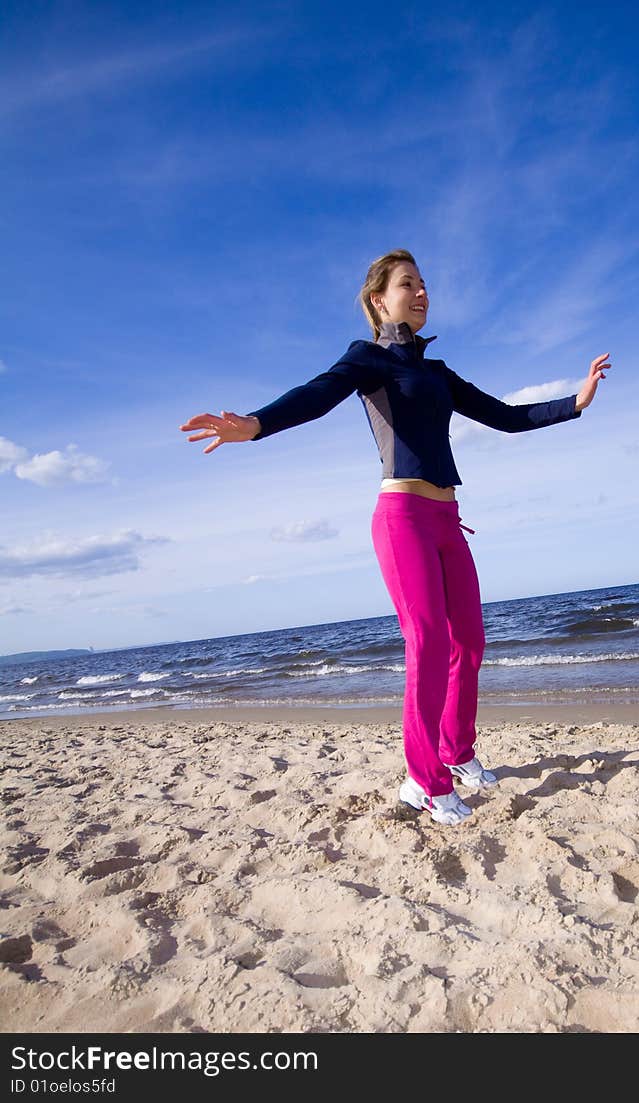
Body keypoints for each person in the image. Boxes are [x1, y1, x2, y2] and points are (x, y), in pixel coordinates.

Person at [179, 249, 610, 827]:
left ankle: (457, 753)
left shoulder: (437, 372)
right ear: (379, 300)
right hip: (402, 518)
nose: (423, 292)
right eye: (409, 284)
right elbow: (318, 392)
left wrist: (574, 403)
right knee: (428, 642)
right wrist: (257, 424)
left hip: (447, 520)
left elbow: (503, 417)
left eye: (426, 283)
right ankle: (425, 782)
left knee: (470, 644)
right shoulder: (370, 359)